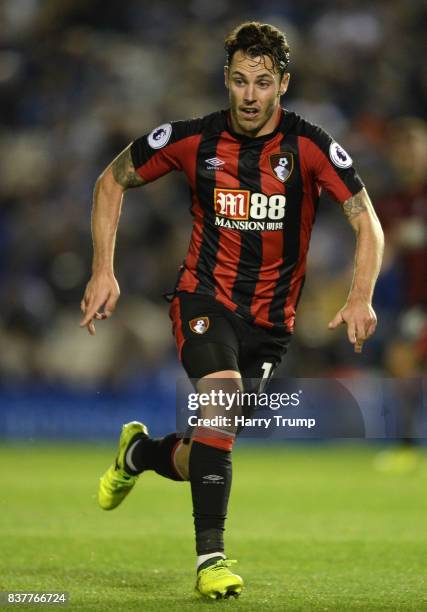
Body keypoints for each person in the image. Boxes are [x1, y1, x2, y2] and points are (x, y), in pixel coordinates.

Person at [80, 21, 384, 600]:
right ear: (226, 79)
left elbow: (366, 220)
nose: (250, 95)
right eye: (240, 81)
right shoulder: (193, 140)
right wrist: (102, 269)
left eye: (263, 83)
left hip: (270, 323)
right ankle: (210, 559)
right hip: (204, 298)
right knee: (220, 395)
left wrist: (360, 293)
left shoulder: (310, 146)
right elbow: (110, 182)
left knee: (207, 446)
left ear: (283, 85)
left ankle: (138, 452)